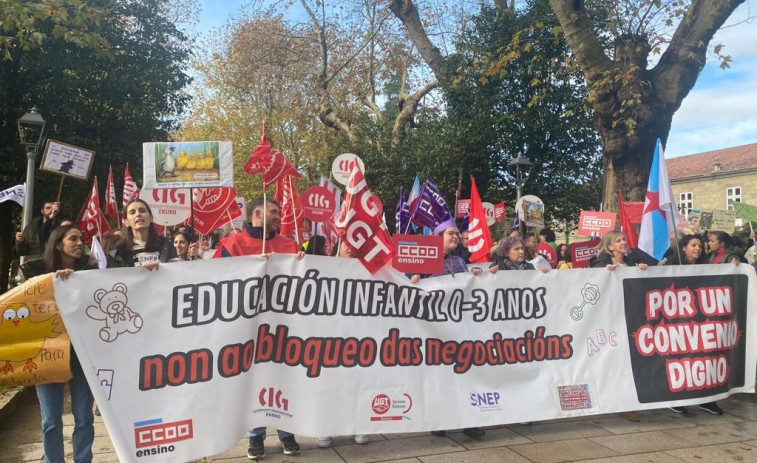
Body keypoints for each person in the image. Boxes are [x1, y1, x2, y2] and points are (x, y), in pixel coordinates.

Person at [213, 197, 301, 459]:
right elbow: (215, 278)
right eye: (274, 211)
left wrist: (303, 261)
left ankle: (288, 431)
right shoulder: (231, 244)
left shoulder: (289, 244)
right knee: (253, 379)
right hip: (248, 326)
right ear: (258, 214)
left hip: (284, 325)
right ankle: (255, 436)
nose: (279, 216)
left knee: (285, 377)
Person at [411, 221, 485, 439]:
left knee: (465, 373)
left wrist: (479, 276)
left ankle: (469, 422)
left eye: (456, 234)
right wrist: (413, 279)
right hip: (432, 329)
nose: (456, 237)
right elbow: (407, 287)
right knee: (439, 376)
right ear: (438, 236)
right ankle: (440, 419)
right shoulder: (423, 259)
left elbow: (468, 288)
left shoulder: (460, 262)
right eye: (451, 233)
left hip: (459, 327)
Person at [34, 224, 98, 463]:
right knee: (50, 421)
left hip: (82, 357)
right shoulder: (38, 274)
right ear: (58, 243)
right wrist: (52, 284)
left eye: (82, 238)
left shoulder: (91, 272)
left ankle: (83, 460)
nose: (80, 242)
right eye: (73, 238)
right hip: (48, 357)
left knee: (84, 418)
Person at [317, 239, 370, 448]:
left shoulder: (369, 269)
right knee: (329, 383)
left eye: (356, 243)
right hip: (329, 337)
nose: (351, 247)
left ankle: (359, 424)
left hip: (359, 336)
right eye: (347, 242)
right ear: (338, 244)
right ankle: (325, 426)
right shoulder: (321, 267)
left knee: (357, 382)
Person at [664, 234, 725, 415]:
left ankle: (707, 399)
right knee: (682, 361)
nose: (698, 248)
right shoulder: (670, 266)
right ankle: (677, 398)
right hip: (678, 322)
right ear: (683, 248)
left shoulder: (706, 267)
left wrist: (736, 265)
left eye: (700, 245)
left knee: (705, 359)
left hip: (701, 321)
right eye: (693, 245)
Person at [107, 199, 176, 268]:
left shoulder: (166, 246)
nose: (138, 214)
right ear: (126, 222)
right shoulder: (117, 252)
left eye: (142, 211)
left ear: (151, 218)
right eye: (132, 212)